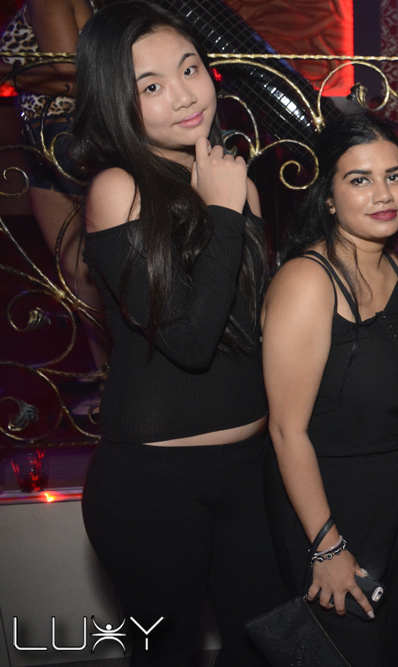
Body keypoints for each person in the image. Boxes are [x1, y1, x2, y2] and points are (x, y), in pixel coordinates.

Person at [76, 3, 285, 664]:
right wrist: (223, 209)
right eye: (152, 85)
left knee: (265, 646)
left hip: (249, 469)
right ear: (116, 100)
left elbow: (250, 329)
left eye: (189, 69)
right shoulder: (119, 189)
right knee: (168, 655)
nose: (184, 94)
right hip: (153, 485)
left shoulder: (236, 184)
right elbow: (190, 341)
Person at [261, 113, 398, 667]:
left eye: (394, 176)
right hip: (333, 504)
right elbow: (286, 431)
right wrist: (327, 546)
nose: (384, 194)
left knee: (383, 649)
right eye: (360, 179)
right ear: (328, 197)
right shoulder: (307, 282)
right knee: (341, 653)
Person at [1, 0, 109, 379]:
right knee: (83, 271)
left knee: (87, 272)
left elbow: (71, 75)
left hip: (61, 132)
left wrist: (8, 72)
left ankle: (118, 382)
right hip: (64, 134)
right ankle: (111, 382)